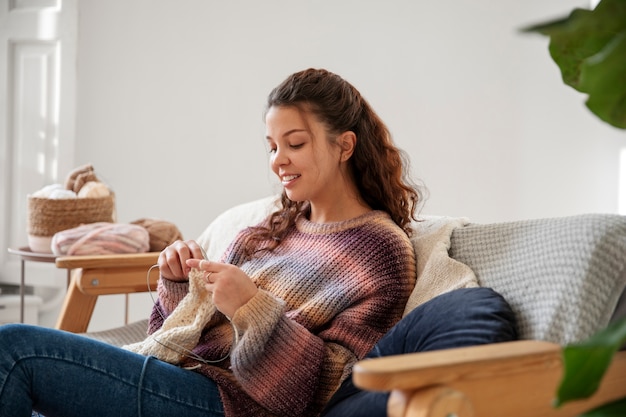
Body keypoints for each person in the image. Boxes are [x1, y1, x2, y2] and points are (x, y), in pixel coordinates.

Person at [0, 68, 516, 417]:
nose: (278, 160)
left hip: (229, 405)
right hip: (177, 378)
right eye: (271, 146)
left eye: (295, 143)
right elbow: (177, 337)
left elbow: (319, 391)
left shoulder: (378, 252)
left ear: (344, 146)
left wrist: (251, 306)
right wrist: (179, 287)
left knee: (15, 349)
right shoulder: (268, 230)